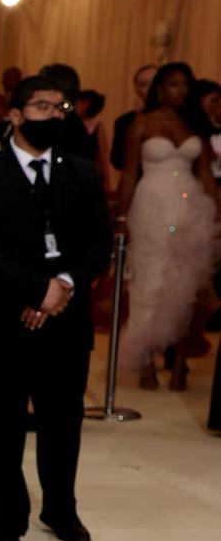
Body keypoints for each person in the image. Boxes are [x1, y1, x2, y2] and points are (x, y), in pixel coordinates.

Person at [0, 73, 111, 541]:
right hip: (6, 319)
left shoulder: (82, 173)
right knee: (3, 425)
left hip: (66, 317)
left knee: (63, 420)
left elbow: (98, 244)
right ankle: (8, 517)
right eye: (41, 107)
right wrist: (34, 289)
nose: (53, 115)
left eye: (59, 108)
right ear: (16, 115)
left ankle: (61, 509)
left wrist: (61, 286)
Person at [116, 62, 220, 391]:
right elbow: (130, 174)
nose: (181, 90)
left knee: (186, 284)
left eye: (185, 84)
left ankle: (179, 362)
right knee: (149, 281)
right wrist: (120, 218)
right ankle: (145, 361)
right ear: (160, 88)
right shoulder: (142, 124)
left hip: (190, 205)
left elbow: (206, 173)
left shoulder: (195, 126)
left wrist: (216, 214)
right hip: (151, 208)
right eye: (173, 84)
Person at [110, 64, 158, 175]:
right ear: (137, 90)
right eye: (144, 85)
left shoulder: (179, 117)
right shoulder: (125, 121)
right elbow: (118, 161)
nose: (151, 88)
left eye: (154, 82)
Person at [75, 88, 111, 187]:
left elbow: (103, 156)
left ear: (85, 103)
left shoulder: (97, 126)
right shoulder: (70, 123)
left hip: (89, 173)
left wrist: (107, 181)